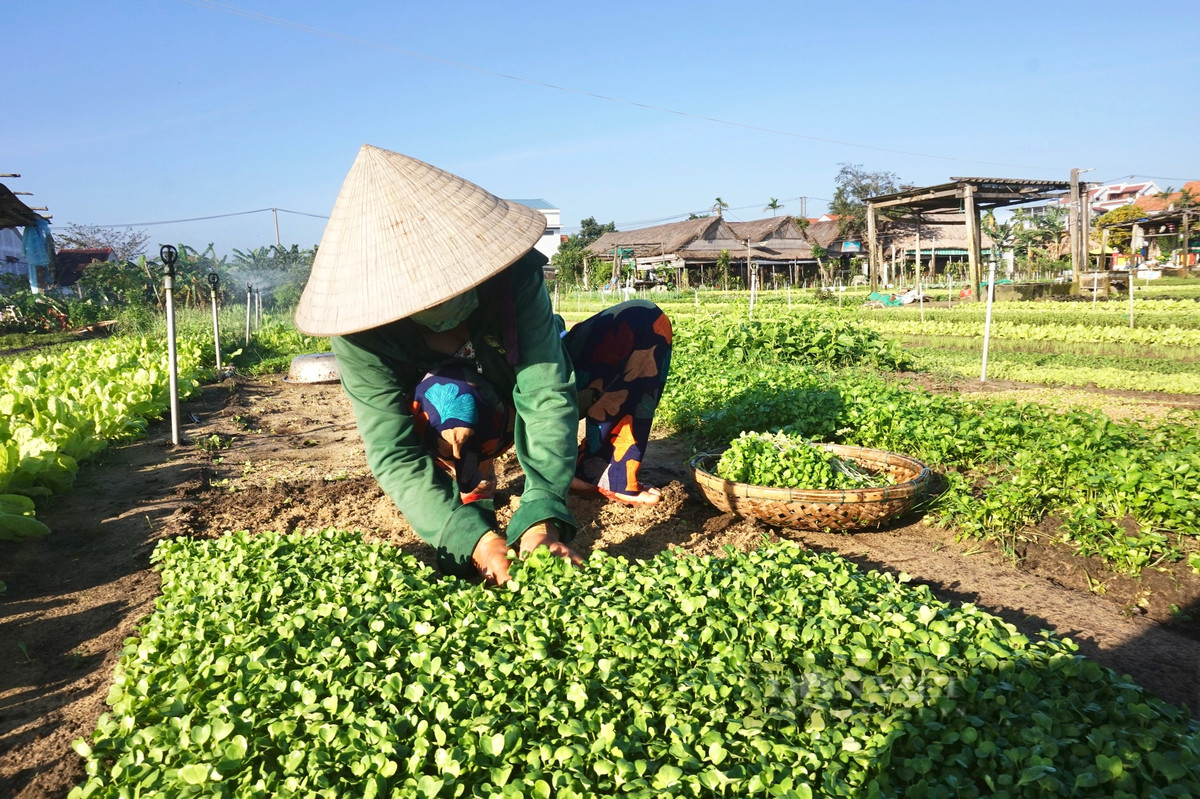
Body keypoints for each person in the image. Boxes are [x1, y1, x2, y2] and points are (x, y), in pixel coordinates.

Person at [294, 145, 671, 586]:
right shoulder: (361, 330)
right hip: (454, 421)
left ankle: (590, 469)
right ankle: (469, 485)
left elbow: (545, 390)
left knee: (641, 324)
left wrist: (541, 516)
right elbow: (392, 450)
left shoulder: (512, 277)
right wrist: (476, 541)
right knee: (453, 394)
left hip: (514, 393)